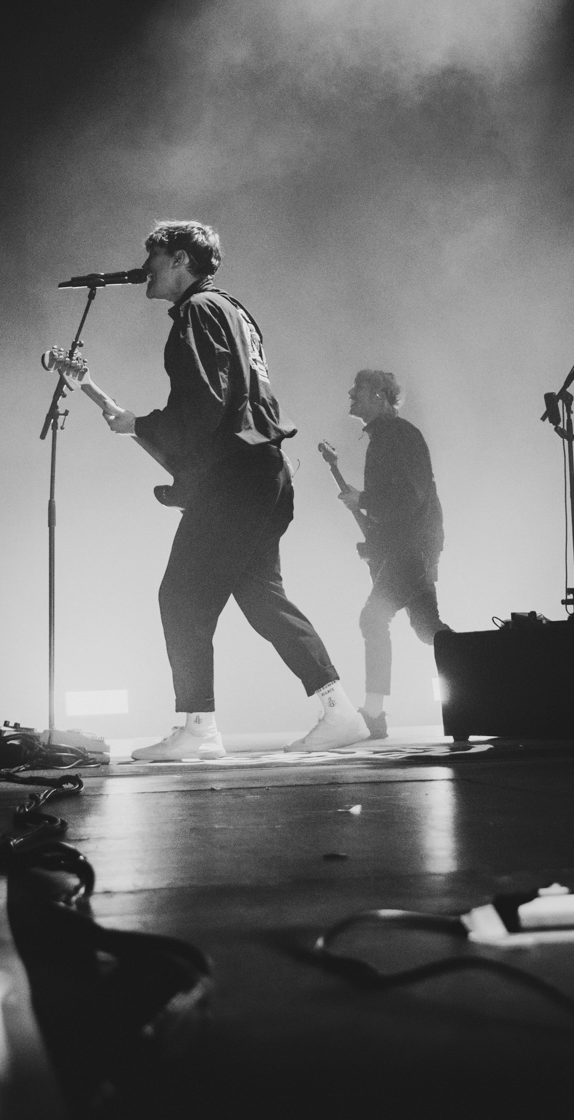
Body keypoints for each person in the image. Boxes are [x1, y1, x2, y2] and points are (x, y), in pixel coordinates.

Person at [55, 219, 369, 759]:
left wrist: (143, 424)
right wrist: (140, 426)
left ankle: (199, 728)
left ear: (180, 259)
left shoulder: (198, 311)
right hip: (264, 471)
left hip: (237, 479)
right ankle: (340, 711)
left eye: (153, 256)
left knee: (181, 596)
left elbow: (204, 404)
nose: (144, 268)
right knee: (262, 597)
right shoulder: (232, 309)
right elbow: (230, 403)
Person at [338, 369, 449, 740]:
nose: (351, 393)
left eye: (359, 388)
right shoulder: (388, 436)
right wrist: (372, 543)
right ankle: (483, 675)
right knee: (428, 629)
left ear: (380, 396)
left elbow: (408, 497)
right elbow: (399, 504)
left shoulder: (397, 435)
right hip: (412, 547)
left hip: (412, 548)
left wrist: (364, 499)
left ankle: (374, 714)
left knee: (373, 619)